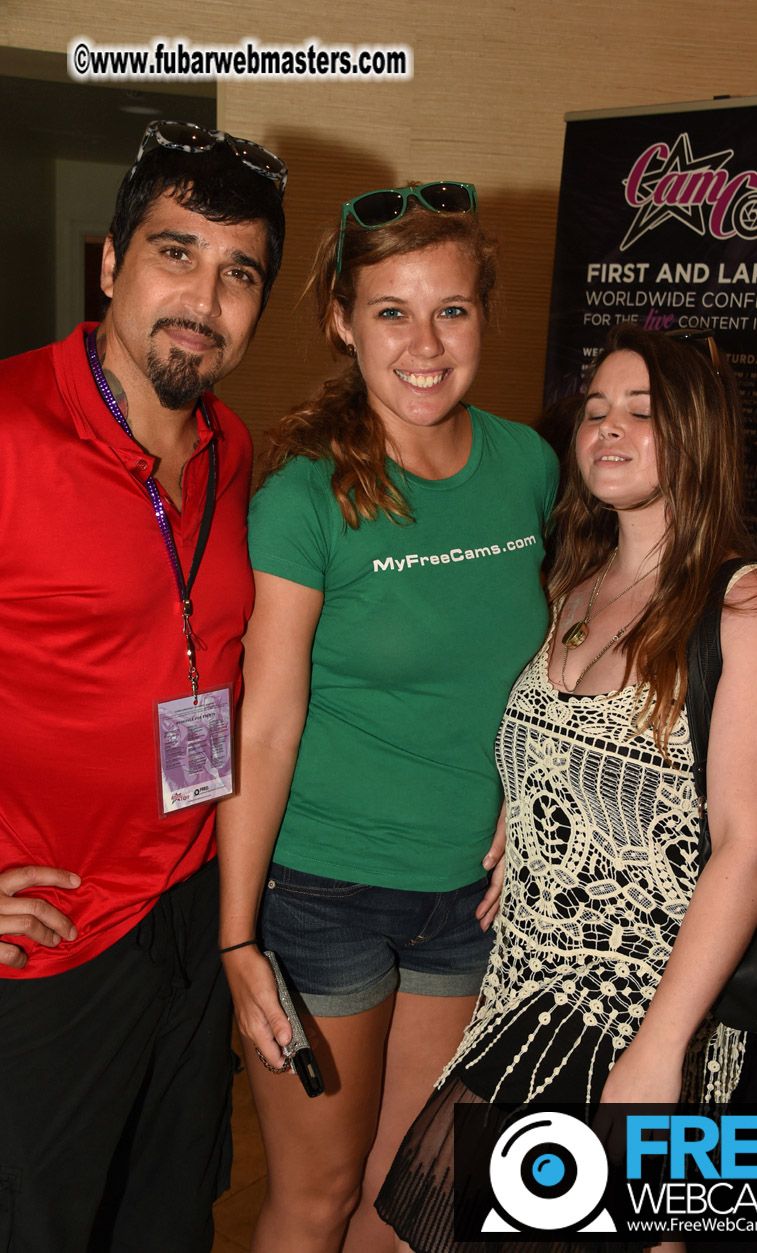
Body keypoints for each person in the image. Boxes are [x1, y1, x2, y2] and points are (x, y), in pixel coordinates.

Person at [375, 322, 757, 1253]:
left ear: (697, 433)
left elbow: (752, 845)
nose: (608, 429)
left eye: (643, 412)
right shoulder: (572, 583)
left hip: (642, 1004)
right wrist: (520, 804)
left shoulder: (748, 609)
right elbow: (552, 743)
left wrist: (659, 1051)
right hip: (522, 981)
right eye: (595, 409)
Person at [216, 181, 560, 1253]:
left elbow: (553, 656)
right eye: (391, 311)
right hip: (325, 892)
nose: (424, 343)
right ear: (341, 319)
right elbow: (264, 726)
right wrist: (236, 934)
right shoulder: (304, 501)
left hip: (468, 898)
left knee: (407, 1199)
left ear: (483, 317)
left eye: (450, 309)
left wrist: (530, 784)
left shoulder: (531, 468)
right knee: (316, 1196)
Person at [0, 120, 287, 1253]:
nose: (204, 298)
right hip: (55, 935)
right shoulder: (11, 429)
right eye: (176, 253)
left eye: (238, 271)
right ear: (111, 263)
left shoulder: (231, 447)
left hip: (194, 909)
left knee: (168, 1216)